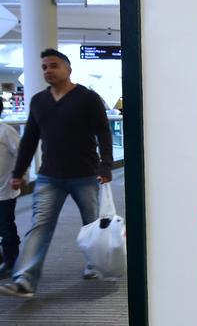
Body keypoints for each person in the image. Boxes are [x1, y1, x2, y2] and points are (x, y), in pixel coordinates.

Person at [0, 49, 113, 298]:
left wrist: (106, 165)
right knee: (39, 225)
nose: (48, 71)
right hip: (49, 176)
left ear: (68, 69)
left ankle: (94, 263)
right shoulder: (39, 101)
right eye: (44, 67)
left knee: (91, 224)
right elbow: (30, 138)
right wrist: (19, 172)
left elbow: (104, 132)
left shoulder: (87, 98)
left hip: (85, 174)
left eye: (53, 66)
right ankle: (25, 281)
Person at [0, 100, 21, 279]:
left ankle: (11, 259)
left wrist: (19, 176)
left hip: (5, 190)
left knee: (5, 226)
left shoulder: (6, 131)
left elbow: (20, 154)